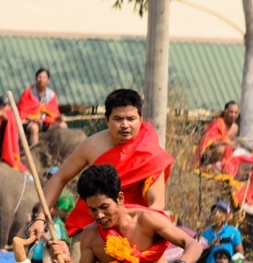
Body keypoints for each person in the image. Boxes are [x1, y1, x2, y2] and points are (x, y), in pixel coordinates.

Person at [47, 164, 201, 263]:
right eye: (92, 210)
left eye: (104, 207)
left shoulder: (147, 220)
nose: (99, 215)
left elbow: (192, 244)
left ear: (120, 198)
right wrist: (67, 262)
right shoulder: (90, 236)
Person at [43, 88, 173, 236]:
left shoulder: (150, 153)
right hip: (90, 225)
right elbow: (60, 177)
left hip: (132, 228)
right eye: (118, 119)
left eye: (131, 119)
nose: (125, 125)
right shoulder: (92, 145)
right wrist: (41, 216)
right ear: (107, 120)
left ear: (141, 119)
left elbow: (157, 204)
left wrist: (128, 219)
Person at [17, 67, 62, 145]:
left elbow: (54, 112)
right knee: (34, 128)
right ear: (36, 79)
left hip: (46, 122)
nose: (41, 79)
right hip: (30, 122)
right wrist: (34, 119)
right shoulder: (27, 93)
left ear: (48, 80)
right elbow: (22, 112)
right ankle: (34, 150)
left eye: (44, 77)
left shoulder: (51, 95)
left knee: (63, 125)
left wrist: (59, 117)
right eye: (39, 77)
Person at [194, 102, 240, 174]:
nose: (233, 115)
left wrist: (233, 146)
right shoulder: (217, 123)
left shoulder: (235, 128)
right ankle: (208, 166)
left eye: (235, 112)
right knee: (222, 149)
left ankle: (223, 168)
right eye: (231, 112)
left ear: (238, 115)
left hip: (224, 155)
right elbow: (209, 142)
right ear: (225, 112)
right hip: (208, 152)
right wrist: (225, 142)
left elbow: (231, 144)